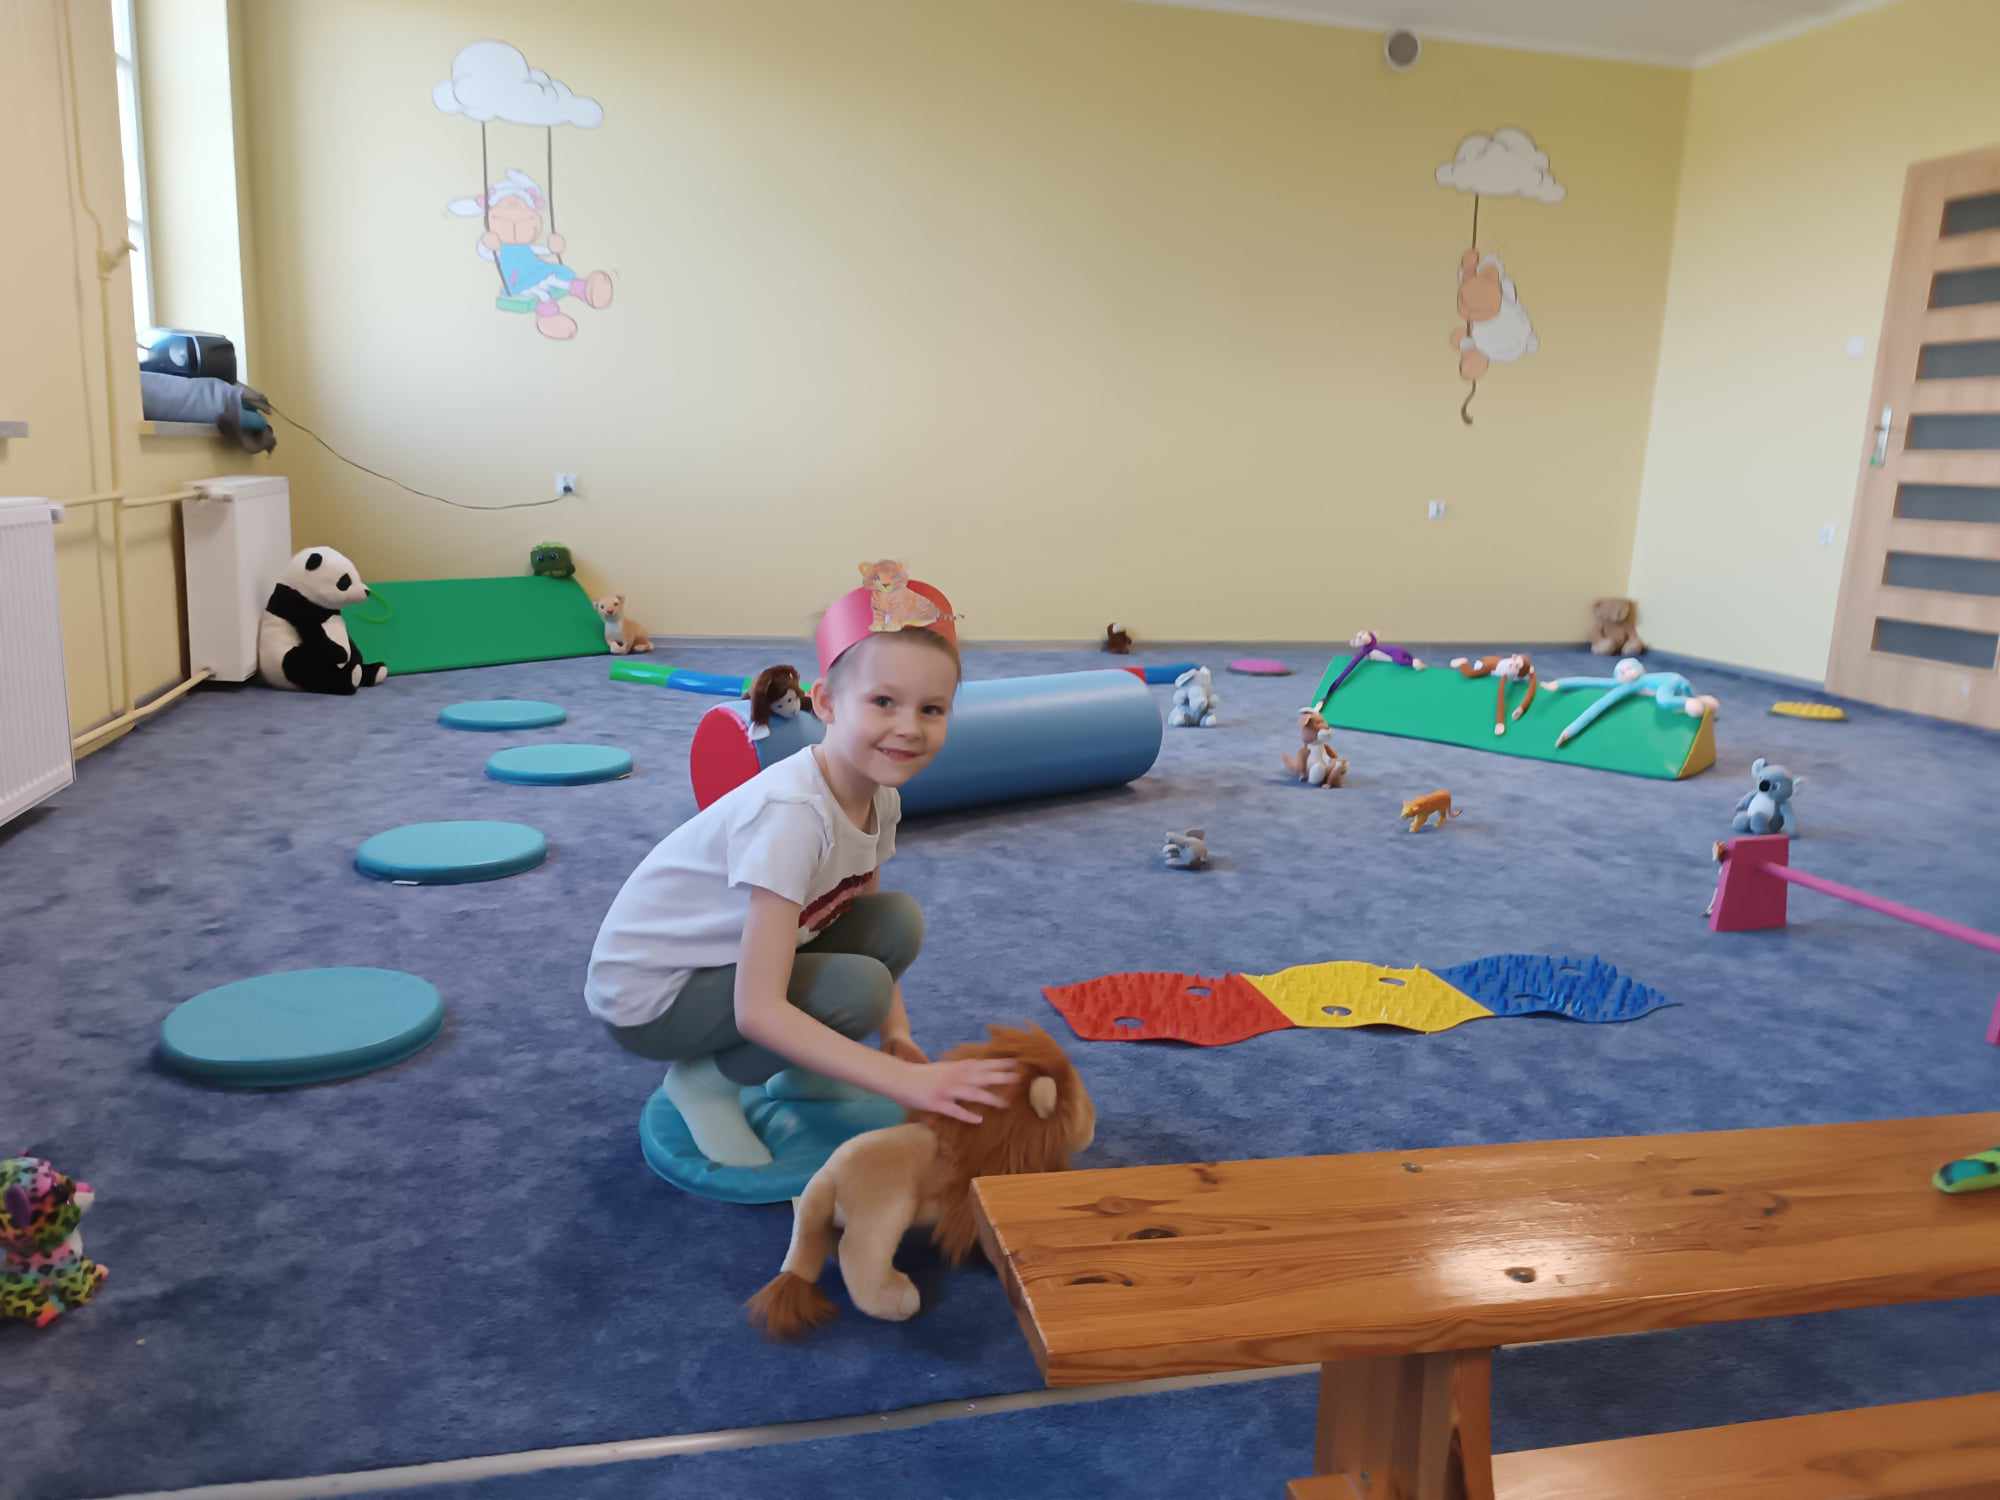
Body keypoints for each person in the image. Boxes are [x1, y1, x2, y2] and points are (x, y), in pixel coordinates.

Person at [585, 576, 1014, 1166]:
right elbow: (758, 1010)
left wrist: (897, 1037)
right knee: (857, 989)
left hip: (725, 961)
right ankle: (703, 1084)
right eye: (883, 702)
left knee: (895, 922)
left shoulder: (881, 799)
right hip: (653, 997)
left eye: (932, 709)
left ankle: (802, 1070)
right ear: (827, 703)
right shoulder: (792, 816)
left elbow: (851, 913)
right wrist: (907, 1084)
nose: (910, 727)